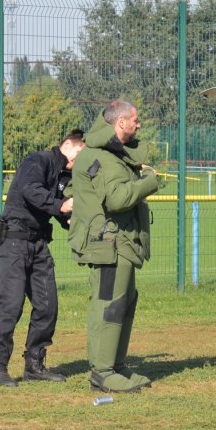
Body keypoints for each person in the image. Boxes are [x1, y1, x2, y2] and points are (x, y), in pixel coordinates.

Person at [67, 100, 158, 393]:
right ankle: (102, 372)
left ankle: (116, 366)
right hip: (109, 244)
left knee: (124, 303)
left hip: (120, 243)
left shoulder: (108, 153)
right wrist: (149, 182)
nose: (138, 124)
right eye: (135, 120)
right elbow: (117, 199)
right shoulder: (101, 156)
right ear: (120, 122)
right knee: (109, 305)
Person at [0, 130, 86, 387]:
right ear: (67, 144)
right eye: (79, 153)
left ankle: (35, 365)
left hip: (39, 244)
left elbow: (58, 206)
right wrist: (61, 206)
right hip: (14, 242)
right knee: (10, 306)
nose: (79, 160)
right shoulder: (37, 161)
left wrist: (68, 218)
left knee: (47, 305)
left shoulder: (66, 175)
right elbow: (32, 191)